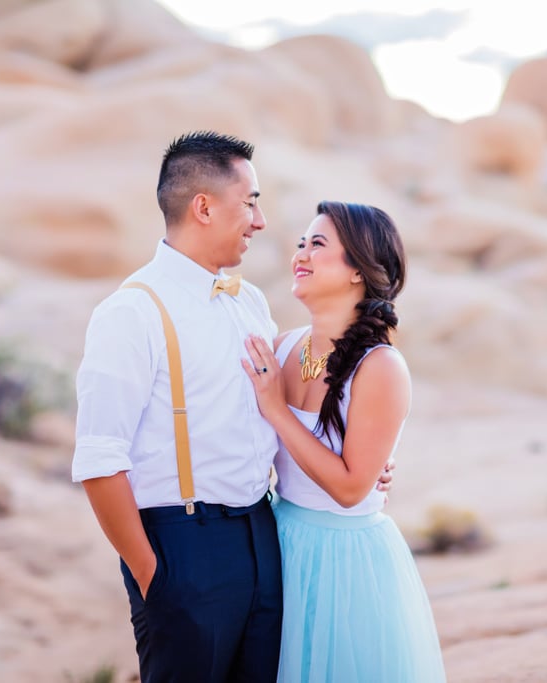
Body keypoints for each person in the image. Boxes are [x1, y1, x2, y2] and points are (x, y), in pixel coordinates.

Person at [71, 132, 391, 682]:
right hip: (184, 545)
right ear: (203, 207)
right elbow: (100, 460)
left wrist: (360, 456)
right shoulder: (131, 312)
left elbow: (281, 407)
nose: (260, 221)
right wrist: (154, 577)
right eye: (250, 202)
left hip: (264, 534)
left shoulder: (249, 302)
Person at [241, 200, 447, 682]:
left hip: (344, 563)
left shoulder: (380, 367)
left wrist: (276, 410)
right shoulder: (283, 346)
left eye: (317, 244)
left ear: (358, 270)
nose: (300, 255)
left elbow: (352, 488)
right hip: (278, 541)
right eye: (300, 244)